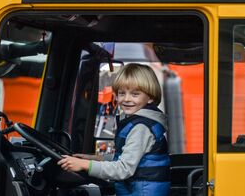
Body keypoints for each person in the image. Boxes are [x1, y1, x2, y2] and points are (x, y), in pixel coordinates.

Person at [58, 63, 171, 196]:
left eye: (135, 94)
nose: (126, 99)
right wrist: (94, 158)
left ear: (150, 97)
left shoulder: (141, 128)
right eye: (122, 93)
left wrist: (85, 165)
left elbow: (123, 169)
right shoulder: (137, 121)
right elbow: (128, 157)